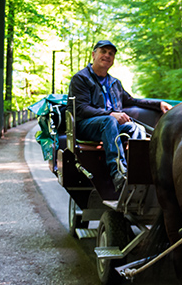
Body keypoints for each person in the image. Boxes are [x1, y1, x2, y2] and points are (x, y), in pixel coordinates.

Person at [68, 40, 171, 192]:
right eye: (103, 51)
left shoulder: (114, 82)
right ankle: (118, 173)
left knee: (137, 128)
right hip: (86, 125)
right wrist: (111, 114)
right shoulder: (81, 78)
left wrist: (158, 104)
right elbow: (82, 108)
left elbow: (132, 101)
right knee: (109, 121)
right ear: (93, 54)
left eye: (111, 53)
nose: (107, 55)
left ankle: (139, 173)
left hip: (111, 125)